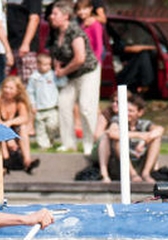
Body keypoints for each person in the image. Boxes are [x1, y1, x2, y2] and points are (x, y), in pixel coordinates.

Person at [47, 0, 100, 155]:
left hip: (88, 72)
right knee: (63, 104)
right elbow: (57, 53)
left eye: (55, 14)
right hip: (71, 75)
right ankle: (68, 144)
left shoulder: (74, 31)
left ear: (66, 16)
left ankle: (91, 145)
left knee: (86, 107)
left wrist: (63, 72)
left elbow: (80, 58)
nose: (51, 17)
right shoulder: (57, 33)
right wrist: (57, 66)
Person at [101, 94, 163, 183]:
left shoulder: (144, 124)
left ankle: (146, 173)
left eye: (131, 111)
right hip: (120, 166)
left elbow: (159, 129)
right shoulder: (117, 120)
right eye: (125, 110)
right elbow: (112, 133)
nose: (127, 113)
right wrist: (139, 135)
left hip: (139, 161)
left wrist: (144, 141)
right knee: (118, 140)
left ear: (140, 112)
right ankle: (132, 174)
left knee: (156, 139)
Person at [0, 75, 40, 173]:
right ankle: (5, 160)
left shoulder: (19, 102)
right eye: (6, 87)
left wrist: (9, 122)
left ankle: (27, 161)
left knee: (23, 128)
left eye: (11, 88)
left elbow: (24, 118)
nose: (7, 90)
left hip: (10, 132)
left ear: (17, 90)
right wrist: (8, 137)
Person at [26, 53, 59, 149]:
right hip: (39, 108)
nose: (47, 67)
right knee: (40, 128)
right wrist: (33, 104)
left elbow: (62, 83)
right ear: (38, 65)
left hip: (52, 106)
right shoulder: (34, 77)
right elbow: (30, 92)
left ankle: (51, 138)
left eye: (49, 64)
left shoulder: (53, 75)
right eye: (45, 64)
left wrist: (59, 73)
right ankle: (44, 145)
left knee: (52, 125)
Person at [6, 0, 42, 83]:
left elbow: (34, 19)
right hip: (8, 44)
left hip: (25, 45)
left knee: (28, 82)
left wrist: (26, 43)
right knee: (3, 82)